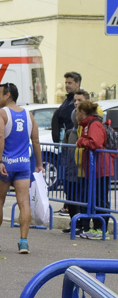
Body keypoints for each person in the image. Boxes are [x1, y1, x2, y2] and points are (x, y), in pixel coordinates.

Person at [0, 83, 43, 254]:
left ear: (8, 95)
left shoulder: (0, 114)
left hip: (6, 164)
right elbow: (35, 141)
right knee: (24, 203)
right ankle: (23, 242)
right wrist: (39, 164)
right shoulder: (28, 115)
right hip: (23, 164)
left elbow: (0, 136)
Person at [74, 100, 112, 239]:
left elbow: (96, 143)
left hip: (100, 168)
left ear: (83, 113)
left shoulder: (94, 124)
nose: (76, 114)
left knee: (100, 198)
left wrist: (81, 142)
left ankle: (101, 229)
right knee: (95, 198)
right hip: (94, 168)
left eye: (77, 111)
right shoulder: (87, 125)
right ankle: (96, 228)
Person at [61, 89, 90, 231]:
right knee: (71, 196)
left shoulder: (91, 119)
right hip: (71, 167)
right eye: (75, 100)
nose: (76, 103)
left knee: (84, 197)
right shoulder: (73, 119)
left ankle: (84, 225)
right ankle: (75, 223)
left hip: (85, 168)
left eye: (80, 100)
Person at [51, 71, 82, 144]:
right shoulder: (68, 99)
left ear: (77, 83)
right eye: (66, 83)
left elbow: (65, 114)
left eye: (70, 83)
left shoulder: (79, 100)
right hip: (64, 139)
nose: (67, 85)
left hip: (72, 140)